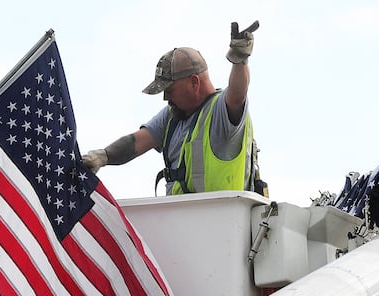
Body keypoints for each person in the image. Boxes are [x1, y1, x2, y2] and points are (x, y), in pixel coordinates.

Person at [82, 21, 265, 196]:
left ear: (194, 82)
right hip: (182, 219)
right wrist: (103, 157)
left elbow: (237, 94)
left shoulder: (220, 112)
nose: (165, 97)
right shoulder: (172, 116)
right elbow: (136, 142)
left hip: (222, 219)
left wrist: (239, 61)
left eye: (169, 89)